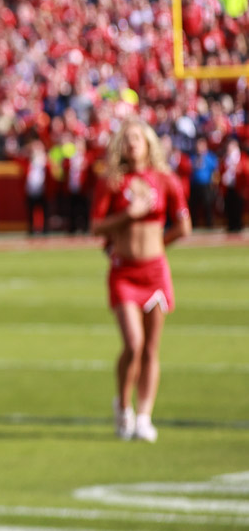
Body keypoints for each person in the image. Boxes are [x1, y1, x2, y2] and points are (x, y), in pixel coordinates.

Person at [91, 118, 191, 443]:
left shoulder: (165, 180)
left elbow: (183, 225)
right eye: (127, 138)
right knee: (132, 344)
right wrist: (128, 217)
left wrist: (159, 244)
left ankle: (145, 415)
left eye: (138, 137)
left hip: (155, 272)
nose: (133, 143)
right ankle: (123, 405)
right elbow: (96, 227)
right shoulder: (112, 181)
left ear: (149, 143)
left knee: (151, 348)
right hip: (124, 274)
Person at [19, 138, 50, 235]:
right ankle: (32, 229)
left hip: (43, 189)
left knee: (44, 210)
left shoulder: (46, 160)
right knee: (30, 210)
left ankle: (45, 229)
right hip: (31, 190)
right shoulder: (28, 160)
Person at [223, 137, 245, 235]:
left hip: (239, 186)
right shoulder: (226, 159)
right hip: (229, 186)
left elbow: (244, 168)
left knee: (238, 206)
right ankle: (231, 225)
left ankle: (238, 225)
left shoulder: (240, 157)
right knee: (229, 206)